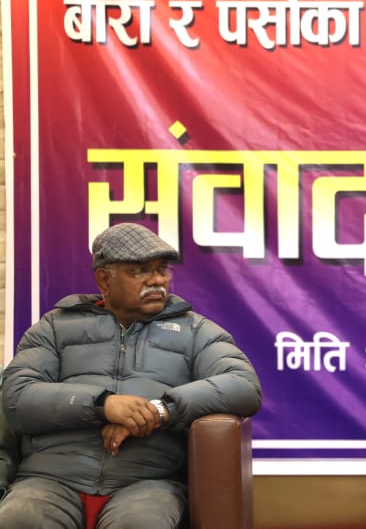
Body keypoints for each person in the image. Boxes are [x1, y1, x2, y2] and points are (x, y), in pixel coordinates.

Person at [0, 223, 262, 528]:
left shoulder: (195, 331)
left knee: (140, 523)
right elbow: (17, 396)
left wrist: (158, 410)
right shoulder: (55, 327)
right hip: (50, 479)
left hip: (147, 482)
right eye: (139, 271)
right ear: (104, 279)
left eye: (161, 270)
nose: (157, 280)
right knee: (19, 518)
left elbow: (243, 384)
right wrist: (102, 405)